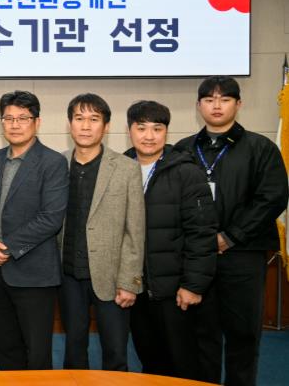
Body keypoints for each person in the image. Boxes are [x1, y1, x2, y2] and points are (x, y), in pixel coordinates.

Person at [174, 76, 289, 386]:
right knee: (201, 335)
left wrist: (230, 237)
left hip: (243, 255)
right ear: (198, 106)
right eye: (209, 100)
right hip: (197, 258)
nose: (216, 105)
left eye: (225, 99)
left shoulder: (260, 147)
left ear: (238, 104)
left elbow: (273, 197)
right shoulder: (184, 149)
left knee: (243, 335)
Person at [123, 101, 217, 380]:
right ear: (129, 131)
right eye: (141, 128)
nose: (149, 136)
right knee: (151, 363)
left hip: (176, 292)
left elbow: (202, 233)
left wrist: (193, 285)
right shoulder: (120, 168)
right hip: (137, 289)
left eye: (157, 129)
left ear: (166, 132)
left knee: (184, 365)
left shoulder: (186, 172)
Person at [0, 90, 68, 370]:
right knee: (6, 347)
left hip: (34, 274)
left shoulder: (53, 162)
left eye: (23, 118)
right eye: (9, 118)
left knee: (37, 353)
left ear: (37, 122)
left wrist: (5, 247)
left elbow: (51, 218)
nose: (15, 125)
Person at [58, 93, 145, 372]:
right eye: (79, 118)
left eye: (94, 119)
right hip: (68, 275)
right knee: (73, 350)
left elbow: (135, 231)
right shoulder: (57, 165)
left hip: (112, 278)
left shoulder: (127, 169)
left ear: (106, 126)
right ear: (70, 124)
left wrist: (129, 281)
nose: (86, 126)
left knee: (115, 353)